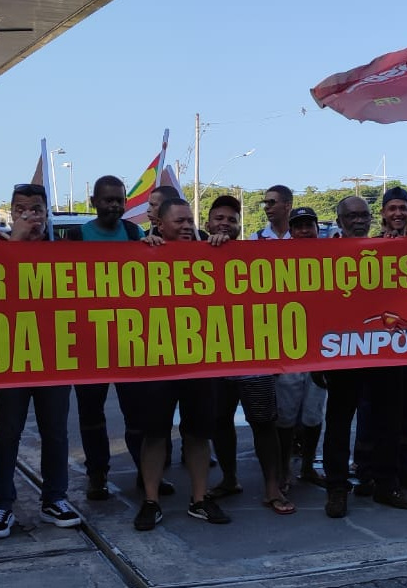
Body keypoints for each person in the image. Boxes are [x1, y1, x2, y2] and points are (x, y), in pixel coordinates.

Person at [0, 183, 81, 540]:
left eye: (36, 209)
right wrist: (13, 246)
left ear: (46, 212)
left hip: (54, 356)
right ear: (12, 213)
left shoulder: (62, 251)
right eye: (22, 210)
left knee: (55, 432)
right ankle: (1, 505)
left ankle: (54, 498)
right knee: (6, 434)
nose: (30, 216)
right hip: (10, 357)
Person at [62, 175, 165, 501]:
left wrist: (153, 250)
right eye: (108, 200)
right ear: (93, 202)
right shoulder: (76, 236)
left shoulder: (134, 234)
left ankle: (145, 474)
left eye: (119, 200)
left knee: (137, 416)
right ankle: (97, 476)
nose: (114, 206)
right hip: (89, 342)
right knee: (91, 416)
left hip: (128, 340)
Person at [130, 197, 231, 529]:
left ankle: (200, 500)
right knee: (155, 434)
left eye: (190, 220)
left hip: (200, 359)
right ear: (159, 224)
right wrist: (144, 251)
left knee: (198, 434)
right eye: (180, 222)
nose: (188, 226)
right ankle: (151, 501)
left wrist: (223, 245)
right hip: (158, 359)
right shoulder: (143, 251)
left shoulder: (211, 248)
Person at [321, 195, 407, 518]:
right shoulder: (325, 255)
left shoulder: (386, 247)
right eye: (351, 215)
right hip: (343, 352)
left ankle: (386, 484)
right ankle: (336, 487)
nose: (359, 220)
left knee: (388, 418)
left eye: (363, 214)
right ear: (339, 220)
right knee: (338, 420)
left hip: (383, 349)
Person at [205, 195, 295, 514]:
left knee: (263, 421)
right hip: (213, 354)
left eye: (231, 219)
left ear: (239, 225)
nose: (225, 224)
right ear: (208, 224)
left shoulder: (256, 255)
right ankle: (230, 478)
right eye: (219, 218)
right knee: (219, 420)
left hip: (253, 353)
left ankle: (272, 487)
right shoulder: (194, 253)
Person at [274, 207, 327, 490]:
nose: (305, 231)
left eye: (309, 225)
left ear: (317, 229)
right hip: (289, 351)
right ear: (290, 231)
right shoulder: (275, 262)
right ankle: (283, 470)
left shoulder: (331, 260)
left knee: (313, 414)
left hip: (321, 351)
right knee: (285, 415)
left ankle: (307, 466)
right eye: (299, 226)